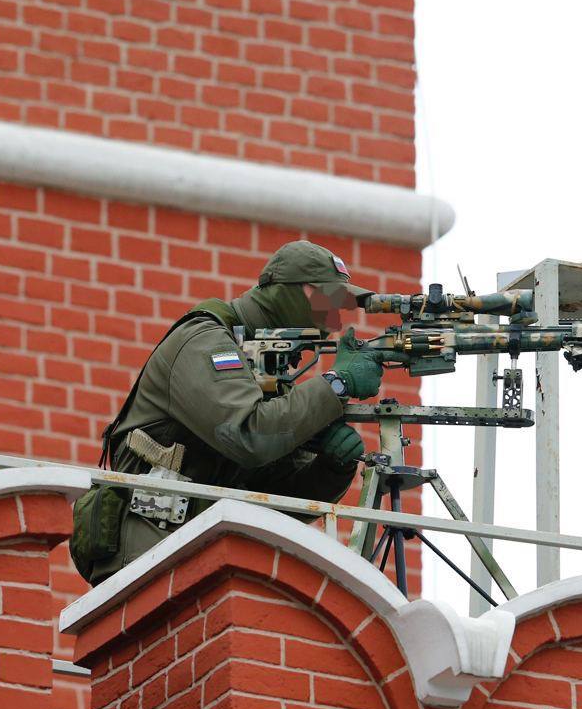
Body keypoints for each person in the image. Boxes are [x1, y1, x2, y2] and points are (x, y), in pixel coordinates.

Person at [70, 240, 386, 585]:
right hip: (150, 547)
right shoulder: (205, 340)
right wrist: (335, 384)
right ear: (294, 293)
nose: (335, 322)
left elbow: (276, 497)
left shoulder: (262, 369)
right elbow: (247, 434)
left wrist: (330, 468)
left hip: (199, 551)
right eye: (329, 303)